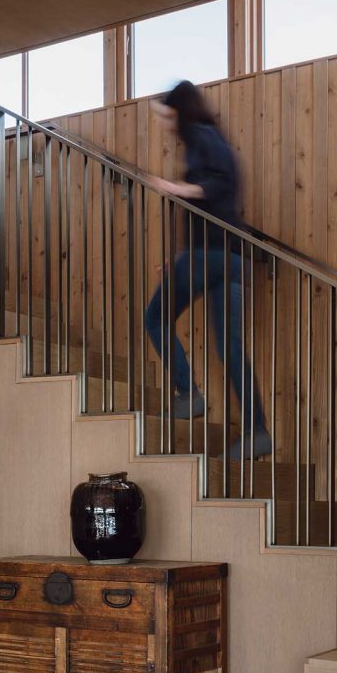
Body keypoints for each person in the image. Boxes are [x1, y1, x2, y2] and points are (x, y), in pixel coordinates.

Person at [145, 80, 271, 460]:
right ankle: (256, 431)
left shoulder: (202, 135)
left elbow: (218, 182)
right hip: (228, 259)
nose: (165, 123)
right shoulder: (210, 136)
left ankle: (188, 393)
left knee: (155, 318)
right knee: (229, 348)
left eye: (166, 115)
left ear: (178, 111)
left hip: (211, 256)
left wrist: (176, 188)